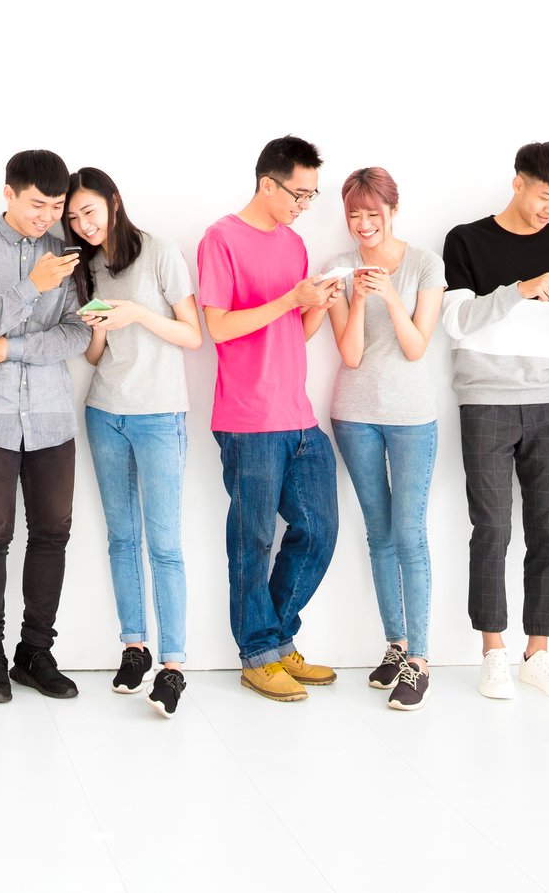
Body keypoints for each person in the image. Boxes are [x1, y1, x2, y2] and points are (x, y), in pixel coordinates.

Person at [440, 142, 549, 702]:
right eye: (544, 196)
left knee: (548, 533)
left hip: (548, 402)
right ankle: (493, 653)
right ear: (518, 183)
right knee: (493, 530)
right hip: (485, 401)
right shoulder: (467, 240)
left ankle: (539, 653)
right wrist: (520, 290)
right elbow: (457, 322)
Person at [200, 136, 344, 704]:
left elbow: (296, 334)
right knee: (253, 539)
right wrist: (291, 301)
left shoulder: (295, 243)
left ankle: (275, 640)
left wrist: (316, 307)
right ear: (268, 183)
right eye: (299, 194)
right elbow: (221, 328)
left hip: (298, 414)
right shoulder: (221, 239)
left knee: (320, 532)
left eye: (311, 196)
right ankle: (259, 653)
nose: (304, 205)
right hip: (247, 416)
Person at [0, 149, 90, 705]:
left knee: (54, 531)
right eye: (37, 204)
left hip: (53, 415)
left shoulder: (70, 253)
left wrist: (12, 347)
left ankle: (35, 652)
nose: (47, 217)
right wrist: (31, 286)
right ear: (8, 195)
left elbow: (78, 333)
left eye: (56, 206)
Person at [63, 168, 200, 718]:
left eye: (89, 212)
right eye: (73, 219)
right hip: (105, 412)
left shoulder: (160, 253)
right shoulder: (88, 266)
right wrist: (98, 328)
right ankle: (134, 648)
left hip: (160, 414)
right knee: (123, 537)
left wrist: (140, 313)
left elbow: (192, 334)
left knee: (164, 543)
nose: (83, 225)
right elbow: (95, 358)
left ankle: (173, 666)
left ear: (115, 203)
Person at [322, 168, 446, 712]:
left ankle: (419, 659)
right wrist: (352, 294)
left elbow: (417, 345)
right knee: (379, 533)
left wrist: (389, 294)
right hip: (354, 415)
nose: (364, 224)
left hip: (412, 417)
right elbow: (350, 355)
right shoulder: (337, 270)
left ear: (393, 210)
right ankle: (395, 646)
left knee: (409, 532)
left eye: (374, 213)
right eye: (354, 214)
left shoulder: (424, 264)